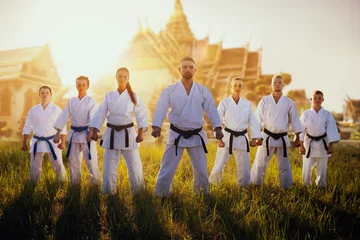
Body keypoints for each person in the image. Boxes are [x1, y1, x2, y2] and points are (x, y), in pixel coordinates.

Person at [152, 56, 223, 197]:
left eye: (191, 67)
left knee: (201, 170)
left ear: (195, 70)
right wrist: (156, 126)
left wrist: (217, 127)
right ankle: (161, 195)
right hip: (176, 134)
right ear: (179, 70)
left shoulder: (203, 91)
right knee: (167, 168)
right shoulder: (170, 90)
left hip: (196, 135)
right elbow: (161, 108)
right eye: (185, 67)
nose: (188, 69)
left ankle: (202, 195)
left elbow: (212, 110)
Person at [89, 67, 148, 195]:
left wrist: (141, 133)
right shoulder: (109, 95)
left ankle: (138, 192)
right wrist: (94, 130)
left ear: (128, 79)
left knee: (135, 164)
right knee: (109, 165)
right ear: (116, 77)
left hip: (129, 133)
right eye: (120, 76)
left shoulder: (134, 96)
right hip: (112, 133)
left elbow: (141, 114)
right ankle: (109, 192)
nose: (122, 79)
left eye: (125, 77)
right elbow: (101, 113)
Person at [250, 74, 303, 188]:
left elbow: (295, 120)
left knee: (284, 166)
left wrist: (298, 137)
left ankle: (286, 187)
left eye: (279, 82)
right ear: (271, 84)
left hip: (282, 137)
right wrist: (256, 137)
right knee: (260, 164)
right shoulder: (265, 100)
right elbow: (257, 119)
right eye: (275, 82)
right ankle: (255, 185)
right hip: (266, 136)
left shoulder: (288, 102)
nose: (277, 84)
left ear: (283, 85)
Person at [209, 77, 262, 187]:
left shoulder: (246, 104)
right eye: (235, 85)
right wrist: (218, 139)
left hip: (242, 137)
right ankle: (213, 185)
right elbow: (217, 119)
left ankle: (244, 186)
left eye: (240, 85)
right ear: (231, 87)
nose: (237, 87)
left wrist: (254, 138)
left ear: (242, 88)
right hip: (227, 135)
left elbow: (252, 121)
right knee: (219, 164)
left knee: (244, 166)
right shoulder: (224, 103)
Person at [53, 76, 100, 185]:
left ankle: (95, 184)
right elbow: (64, 116)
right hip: (74, 134)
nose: (81, 87)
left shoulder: (90, 101)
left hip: (86, 133)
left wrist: (91, 132)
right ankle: (75, 184)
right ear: (76, 86)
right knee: (73, 161)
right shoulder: (72, 101)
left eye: (84, 85)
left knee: (91, 161)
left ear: (87, 86)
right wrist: (58, 133)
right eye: (79, 84)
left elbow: (93, 117)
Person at [22, 86, 67, 184]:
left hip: (53, 139)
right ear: (39, 94)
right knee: (35, 165)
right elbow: (28, 125)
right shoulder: (33, 110)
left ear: (51, 95)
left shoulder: (56, 109)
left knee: (58, 163)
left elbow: (62, 125)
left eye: (47, 93)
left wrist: (63, 142)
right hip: (37, 139)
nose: (45, 94)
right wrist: (24, 141)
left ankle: (62, 182)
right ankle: (34, 183)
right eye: (42, 92)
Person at [299, 90, 340, 187]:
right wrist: (301, 146)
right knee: (307, 168)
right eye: (315, 98)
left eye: (319, 98)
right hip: (309, 143)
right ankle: (306, 186)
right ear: (311, 99)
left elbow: (331, 131)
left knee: (322, 168)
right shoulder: (305, 114)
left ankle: (321, 186)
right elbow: (301, 130)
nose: (317, 100)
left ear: (323, 100)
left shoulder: (327, 115)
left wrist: (330, 146)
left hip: (323, 144)